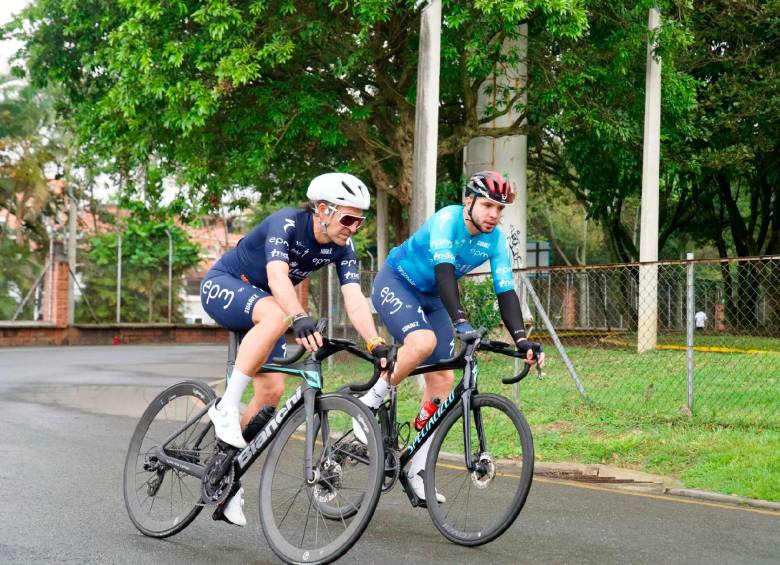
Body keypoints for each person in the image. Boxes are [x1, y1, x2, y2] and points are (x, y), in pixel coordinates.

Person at [201, 172, 389, 526]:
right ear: (323, 210)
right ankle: (225, 406)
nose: (353, 228)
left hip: (266, 307)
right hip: (226, 285)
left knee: (271, 392)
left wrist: (375, 341)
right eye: (348, 218)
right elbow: (276, 277)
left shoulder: (342, 247)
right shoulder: (286, 222)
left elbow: (353, 297)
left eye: (359, 222)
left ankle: (224, 472)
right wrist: (299, 315)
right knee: (278, 314)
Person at [357, 170, 544, 503]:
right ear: (468, 201)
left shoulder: (495, 241)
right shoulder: (446, 220)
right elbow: (444, 274)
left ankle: (415, 467)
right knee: (423, 343)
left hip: (432, 299)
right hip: (398, 283)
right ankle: (369, 401)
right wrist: (460, 322)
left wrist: (521, 340)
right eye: (487, 205)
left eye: (499, 209)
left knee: (442, 380)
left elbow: (506, 292)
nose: (493, 215)